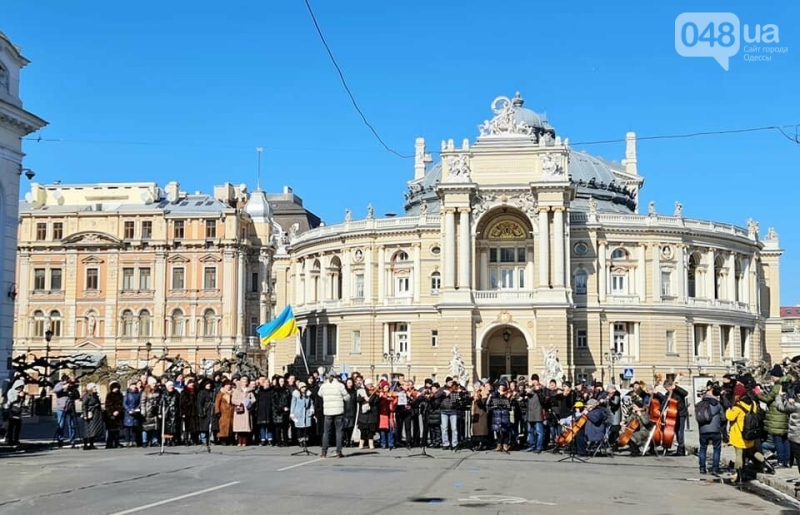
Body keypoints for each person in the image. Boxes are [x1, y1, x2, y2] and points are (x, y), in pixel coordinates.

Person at [318, 371, 349, 458]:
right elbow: (347, 397)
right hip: (338, 411)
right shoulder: (340, 385)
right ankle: (338, 451)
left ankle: (324, 452)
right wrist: (342, 398)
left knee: (326, 432)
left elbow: (319, 394)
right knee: (339, 432)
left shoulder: (324, 386)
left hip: (327, 412)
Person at [697, 386, 723, 475]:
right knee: (717, 449)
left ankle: (702, 468)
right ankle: (715, 468)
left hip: (703, 429)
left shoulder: (700, 403)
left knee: (703, 448)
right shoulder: (718, 404)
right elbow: (723, 418)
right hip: (715, 429)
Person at [53, 375, 79, 449]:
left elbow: (77, 396)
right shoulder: (59, 385)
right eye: (64, 381)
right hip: (61, 408)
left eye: (67, 381)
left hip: (70, 408)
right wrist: (63, 387)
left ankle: (72, 441)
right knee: (61, 425)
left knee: (71, 425)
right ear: (62, 380)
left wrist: (72, 389)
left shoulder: (71, 386)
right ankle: (60, 440)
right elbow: (55, 390)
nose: (66, 382)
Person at [81, 383, 104, 450]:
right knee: (88, 429)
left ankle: (91, 444)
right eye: (94, 387)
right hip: (90, 414)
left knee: (93, 430)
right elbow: (84, 405)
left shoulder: (95, 395)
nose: (95, 388)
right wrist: (85, 415)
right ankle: (85, 444)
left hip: (96, 414)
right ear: (90, 388)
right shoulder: (87, 396)